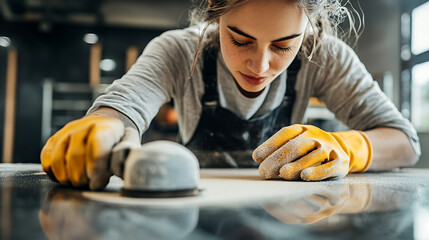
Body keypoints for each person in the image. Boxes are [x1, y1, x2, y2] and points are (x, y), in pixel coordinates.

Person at [40, 0, 420, 190]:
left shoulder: (324, 56)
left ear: (309, 29)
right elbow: (123, 108)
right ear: (214, 11)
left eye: (284, 46)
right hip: (193, 213)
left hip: (284, 218)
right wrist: (103, 126)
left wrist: (349, 147)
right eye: (240, 40)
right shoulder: (178, 50)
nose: (260, 64)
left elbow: (404, 142)